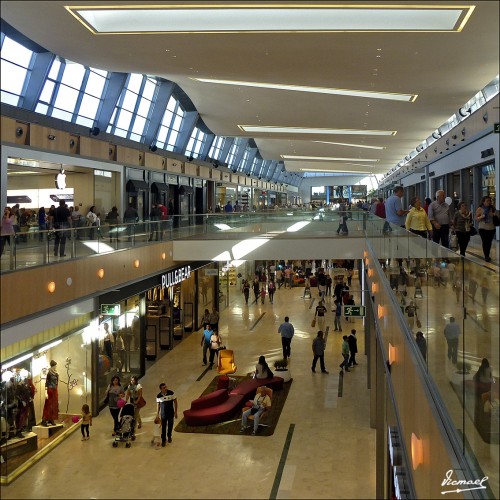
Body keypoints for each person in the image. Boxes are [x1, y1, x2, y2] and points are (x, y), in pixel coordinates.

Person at [475, 196, 497, 262]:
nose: (489, 202)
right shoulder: (480, 209)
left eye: (489, 201)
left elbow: (496, 215)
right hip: (483, 228)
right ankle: (486, 256)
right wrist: (481, 217)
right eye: (487, 201)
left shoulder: (492, 208)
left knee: (489, 242)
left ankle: (487, 254)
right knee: (485, 242)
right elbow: (476, 219)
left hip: (491, 228)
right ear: (483, 202)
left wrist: (493, 214)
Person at [156, 382, 178, 446]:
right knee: (163, 427)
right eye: (164, 388)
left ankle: (169, 436)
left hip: (171, 413)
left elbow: (175, 402)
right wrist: (157, 414)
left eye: (166, 387)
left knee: (170, 425)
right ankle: (163, 440)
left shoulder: (171, 393)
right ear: (161, 389)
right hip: (163, 414)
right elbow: (158, 405)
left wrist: (175, 412)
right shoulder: (158, 396)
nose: (165, 388)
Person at [41, 360, 59, 426]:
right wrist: (46, 392)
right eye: (55, 366)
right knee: (48, 405)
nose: (56, 367)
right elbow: (46, 383)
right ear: (52, 366)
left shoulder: (56, 373)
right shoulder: (49, 373)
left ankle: (51, 419)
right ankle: (44, 420)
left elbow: (57, 383)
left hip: (55, 390)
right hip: (50, 390)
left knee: (54, 405)